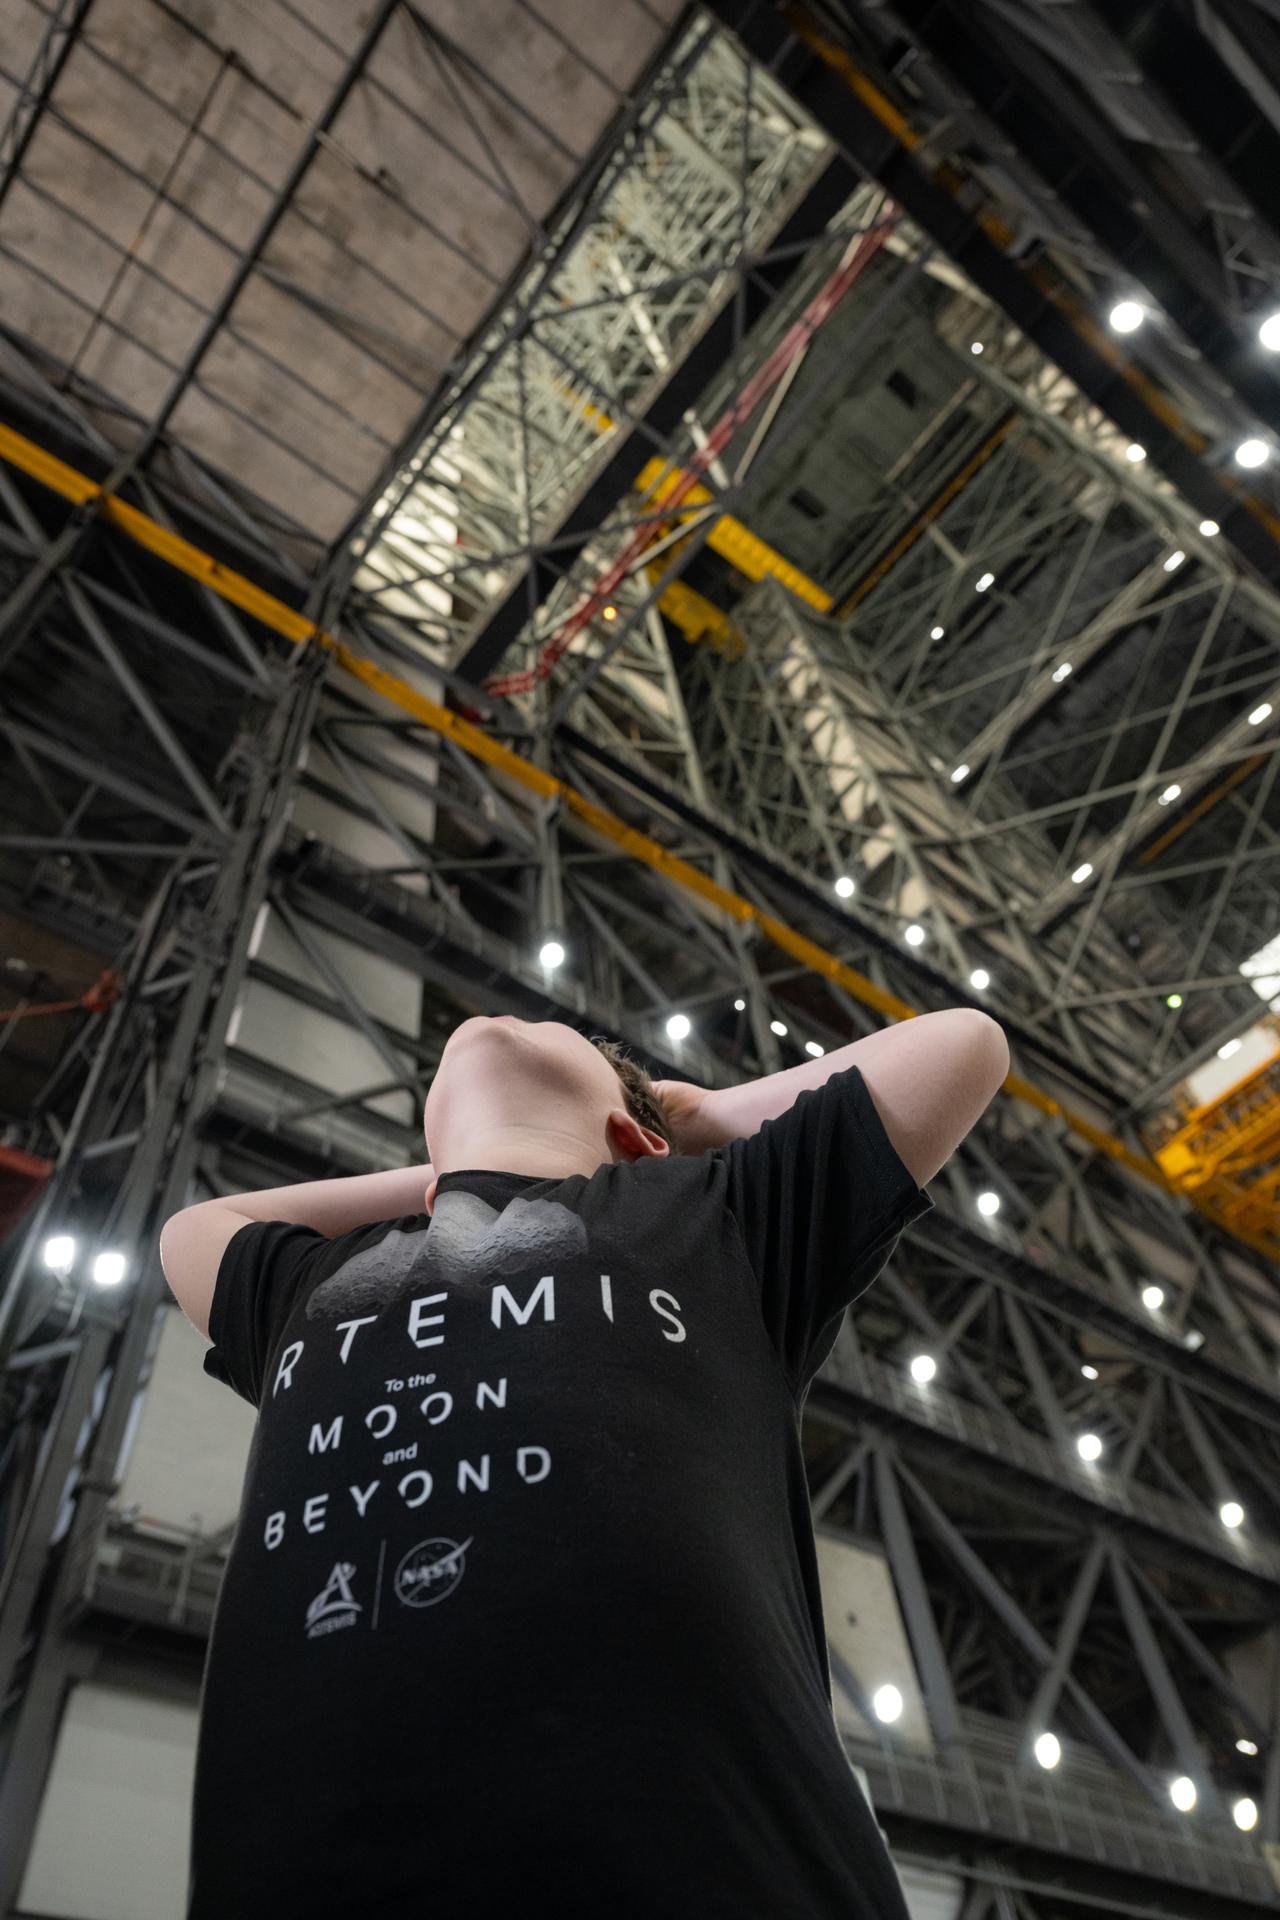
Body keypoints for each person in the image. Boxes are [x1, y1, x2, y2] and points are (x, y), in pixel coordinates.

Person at [161, 1005, 1008, 1918]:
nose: (508, 1017)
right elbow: (198, 1226)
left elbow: (962, 1048)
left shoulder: (719, 1216)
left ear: (633, 1133)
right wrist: (457, 1173)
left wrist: (689, 1127)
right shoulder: (314, 1283)